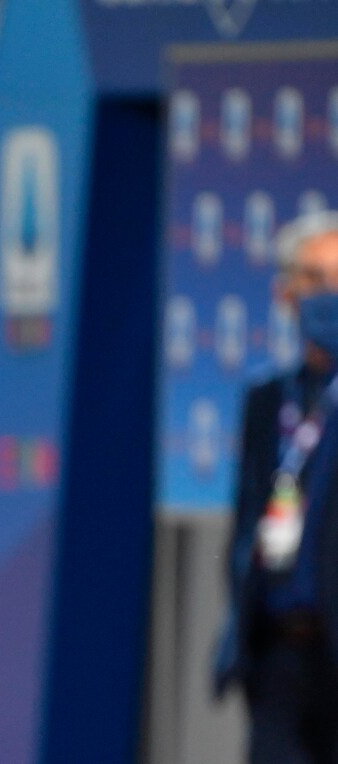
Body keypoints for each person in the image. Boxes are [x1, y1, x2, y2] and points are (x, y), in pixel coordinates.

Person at [215, 211, 338, 764]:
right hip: (278, 655)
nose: (328, 294)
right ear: (285, 292)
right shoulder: (267, 399)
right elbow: (247, 521)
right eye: (314, 277)